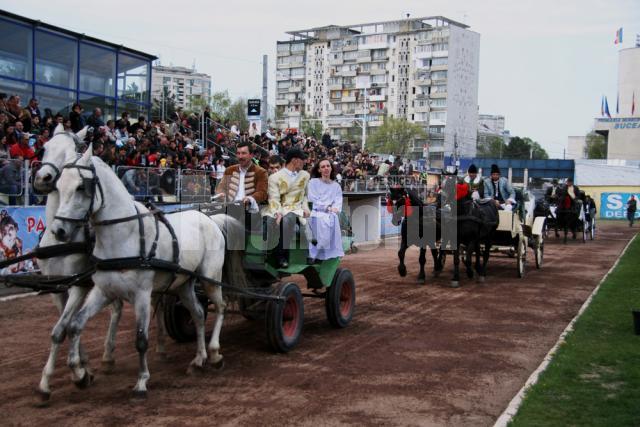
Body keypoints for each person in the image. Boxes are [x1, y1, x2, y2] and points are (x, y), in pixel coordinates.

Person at [263, 148, 312, 268]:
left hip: (298, 208)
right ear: (295, 161)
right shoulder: (274, 177)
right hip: (281, 208)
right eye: (302, 160)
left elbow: (305, 196)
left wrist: (306, 208)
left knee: (291, 219)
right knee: (279, 220)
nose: (304, 162)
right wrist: (277, 212)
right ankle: (276, 254)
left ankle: (288, 255)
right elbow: (274, 199)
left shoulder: (305, 175)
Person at [215, 141, 268, 212]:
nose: (240, 156)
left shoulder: (261, 172)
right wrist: (221, 193)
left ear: (251, 155)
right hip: (229, 208)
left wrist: (250, 198)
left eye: (243, 153)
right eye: (238, 153)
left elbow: (262, 193)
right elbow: (221, 187)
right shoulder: (229, 170)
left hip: (249, 210)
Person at [308, 159, 344, 262]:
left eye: (328, 166)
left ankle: (328, 254)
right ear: (319, 170)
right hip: (315, 211)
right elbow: (313, 200)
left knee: (333, 218)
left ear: (331, 168)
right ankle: (313, 255)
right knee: (321, 219)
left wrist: (334, 209)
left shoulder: (336, 186)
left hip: (330, 213)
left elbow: (337, 203)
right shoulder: (313, 183)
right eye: (323, 167)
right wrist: (326, 208)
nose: (326, 168)